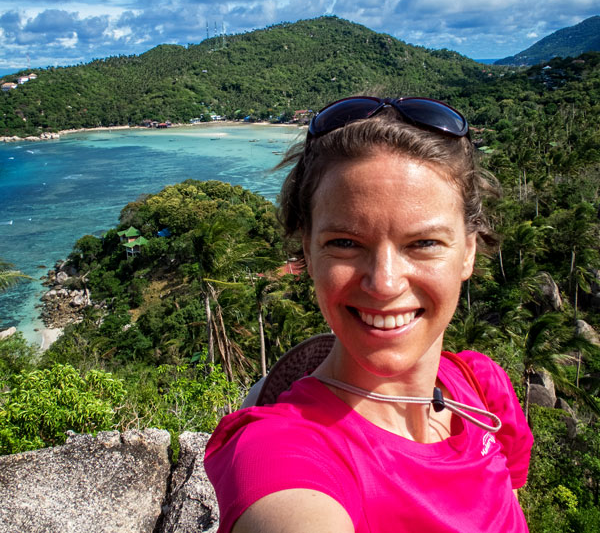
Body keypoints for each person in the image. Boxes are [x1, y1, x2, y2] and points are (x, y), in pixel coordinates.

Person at [205, 96, 534, 533]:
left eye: (424, 243)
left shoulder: (482, 387)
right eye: (345, 242)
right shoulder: (280, 447)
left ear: (469, 251)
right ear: (307, 250)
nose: (384, 283)